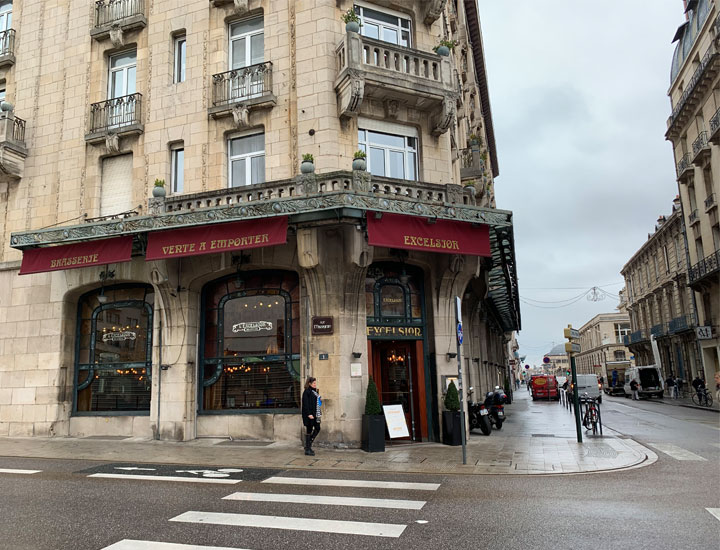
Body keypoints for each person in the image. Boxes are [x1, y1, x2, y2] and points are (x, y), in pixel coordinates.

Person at [301, 376, 322, 456]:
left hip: (315, 414)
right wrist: (309, 414)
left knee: (317, 428)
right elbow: (305, 404)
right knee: (309, 430)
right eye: (313, 383)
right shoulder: (307, 392)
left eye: (315, 383)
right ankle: (308, 449)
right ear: (309, 383)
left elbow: (317, 402)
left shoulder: (315, 391)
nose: (315, 384)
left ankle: (308, 445)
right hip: (309, 415)